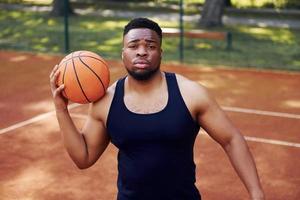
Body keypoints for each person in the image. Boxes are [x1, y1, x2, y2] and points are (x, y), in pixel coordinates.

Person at [50, 18, 265, 200]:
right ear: (123, 53)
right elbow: (84, 157)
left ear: (160, 53)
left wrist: (257, 194)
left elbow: (231, 139)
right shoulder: (106, 101)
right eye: (134, 46)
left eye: (150, 46)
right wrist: (61, 109)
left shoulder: (191, 94)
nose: (142, 52)